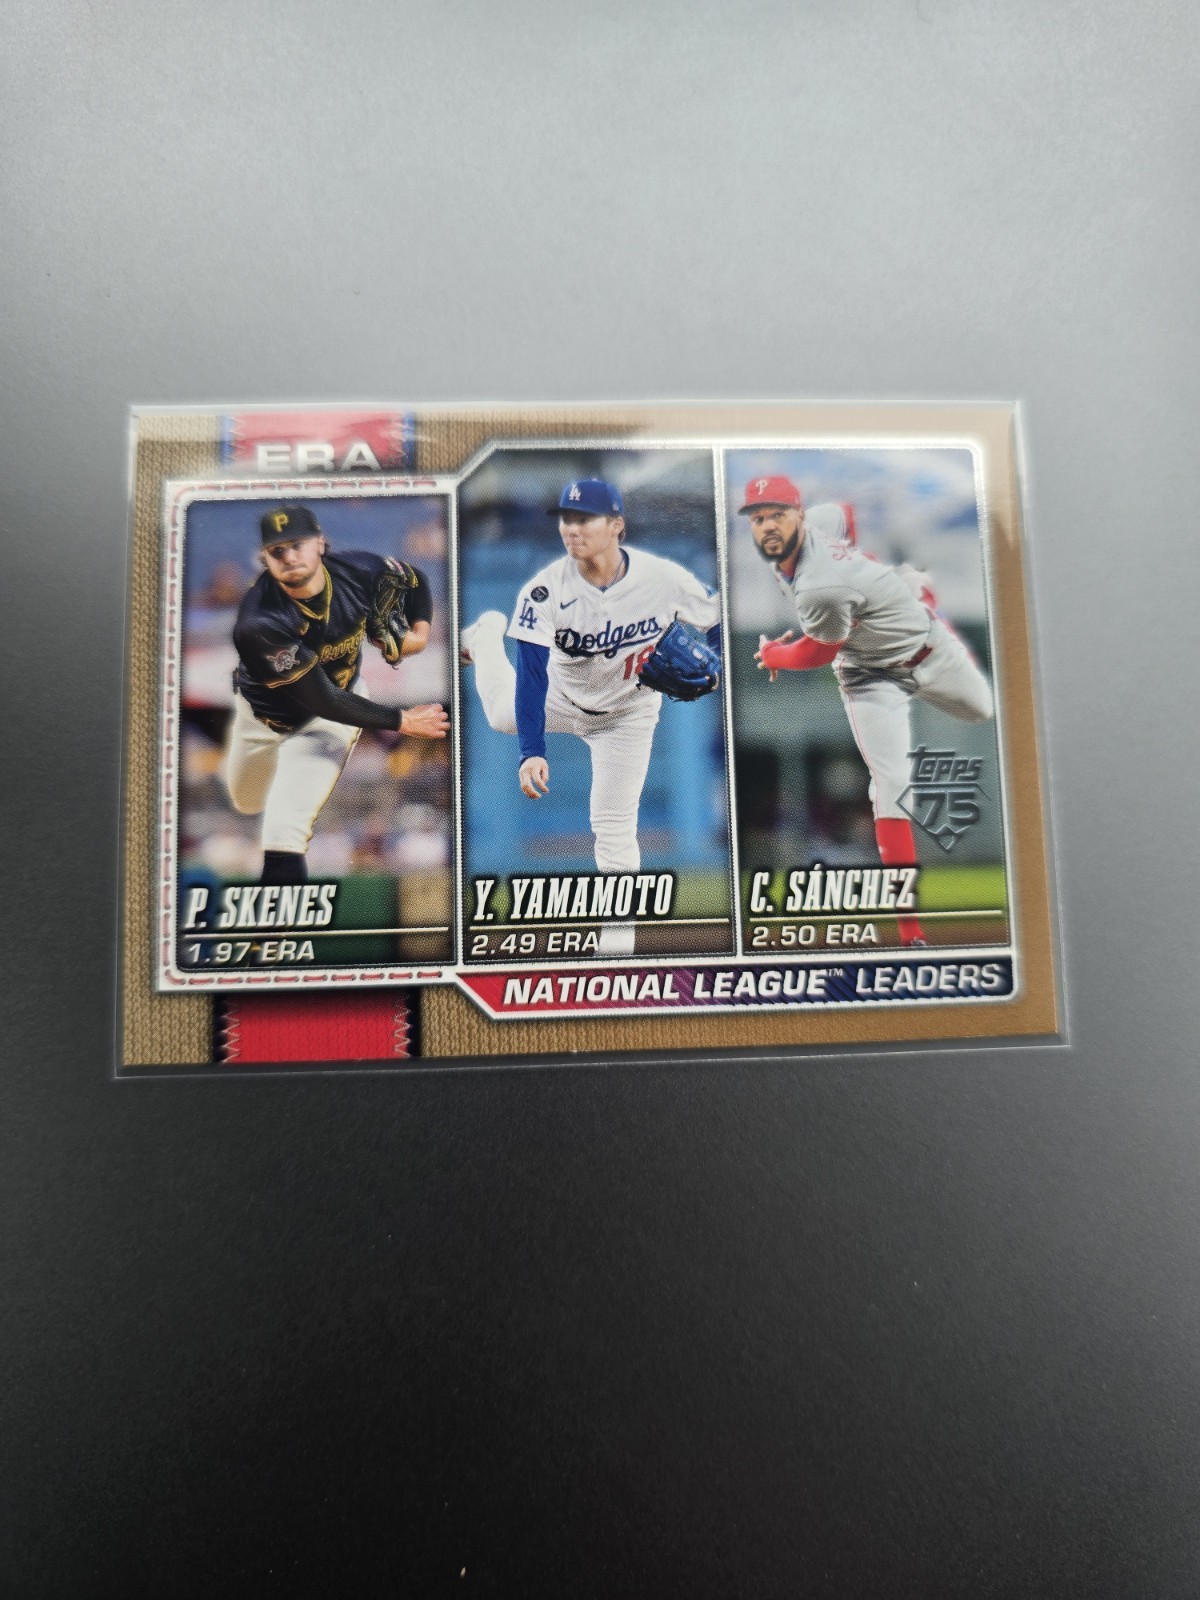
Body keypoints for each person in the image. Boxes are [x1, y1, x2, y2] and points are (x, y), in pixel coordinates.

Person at [460, 477, 721, 954]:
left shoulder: (662, 578)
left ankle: (617, 950)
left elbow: (716, 615)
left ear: (616, 525)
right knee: (499, 713)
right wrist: (531, 751)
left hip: (627, 713)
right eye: (566, 519)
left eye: (584, 519)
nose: (572, 528)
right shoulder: (544, 591)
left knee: (615, 827)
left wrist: (717, 663)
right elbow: (532, 676)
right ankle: (485, 635)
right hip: (560, 696)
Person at [743, 474, 993, 947]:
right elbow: (845, 514)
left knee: (982, 710)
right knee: (891, 787)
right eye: (758, 518)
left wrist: (775, 654)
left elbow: (815, 651)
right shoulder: (812, 538)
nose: (768, 525)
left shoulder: (820, 585)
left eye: (778, 514)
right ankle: (911, 932)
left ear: (799, 516)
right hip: (868, 675)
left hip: (927, 649)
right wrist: (862, 582)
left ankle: (917, 595)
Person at [226, 503, 448, 884]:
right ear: (265, 559)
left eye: (297, 544)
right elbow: (320, 698)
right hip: (265, 718)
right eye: (277, 550)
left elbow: (416, 580)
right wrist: (401, 720)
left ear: (320, 543)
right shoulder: (259, 621)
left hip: (332, 713)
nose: (289, 556)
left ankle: (279, 920)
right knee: (246, 800)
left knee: (285, 826)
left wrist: (421, 633)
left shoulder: (360, 570)